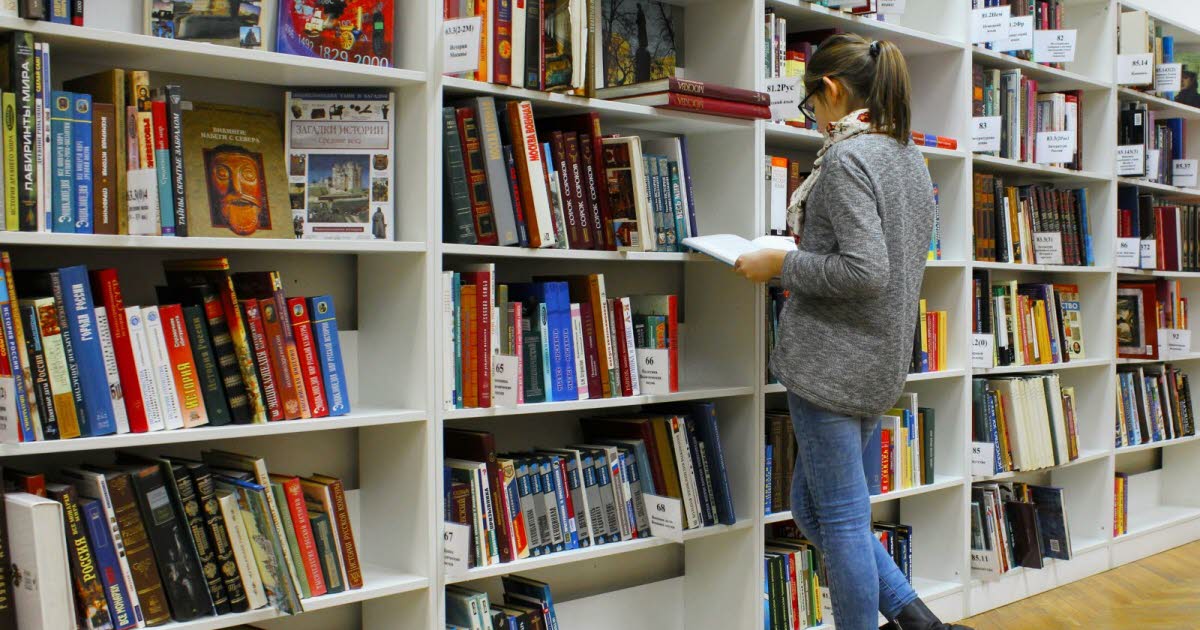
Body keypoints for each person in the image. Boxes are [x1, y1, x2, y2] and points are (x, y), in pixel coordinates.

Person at [735, 34, 970, 630]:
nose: (810, 117)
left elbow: (866, 271)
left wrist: (779, 265)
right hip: (878, 358)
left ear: (831, 90)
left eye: (809, 104)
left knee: (838, 517)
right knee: (812, 508)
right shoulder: (906, 155)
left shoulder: (845, 159)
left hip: (831, 363)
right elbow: (886, 262)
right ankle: (917, 618)